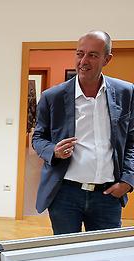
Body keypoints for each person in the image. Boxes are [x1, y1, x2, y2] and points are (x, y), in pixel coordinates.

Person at [32, 30, 134, 235]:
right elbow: (38, 137)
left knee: (105, 259)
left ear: (107, 59)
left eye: (93, 55)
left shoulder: (126, 93)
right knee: (67, 256)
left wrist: (128, 180)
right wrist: (54, 151)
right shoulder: (53, 97)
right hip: (65, 195)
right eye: (80, 54)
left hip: (108, 195)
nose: (83, 61)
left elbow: (131, 140)